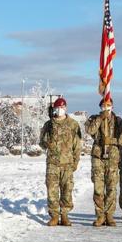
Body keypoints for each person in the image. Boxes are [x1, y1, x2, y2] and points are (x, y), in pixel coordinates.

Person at [84, 95, 122, 227]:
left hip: (112, 158)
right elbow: (89, 130)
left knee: (111, 188)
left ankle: (109, 215)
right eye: (104, 106)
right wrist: (100, 118)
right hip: (98, 157)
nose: (106, 108)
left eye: (109, 106)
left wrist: (111, 141)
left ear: (113, 107)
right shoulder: (94, 119)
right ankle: (100, 216)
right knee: (98, 188)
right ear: (100, 107)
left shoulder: (118, 121)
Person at [39, 96, 82, 226]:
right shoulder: (49, 124)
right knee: (52, 190)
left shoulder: (73, 124)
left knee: (67, 190)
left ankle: (64, 215)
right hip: (52, 163)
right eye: (58, 108)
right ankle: (54, 216)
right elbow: (41, 142)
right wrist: (47, 141)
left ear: (66, 108)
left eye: (62, 108)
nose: (60, 110)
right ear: (54, 109)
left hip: (67, 163)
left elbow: (77, 145)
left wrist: (75, 161)